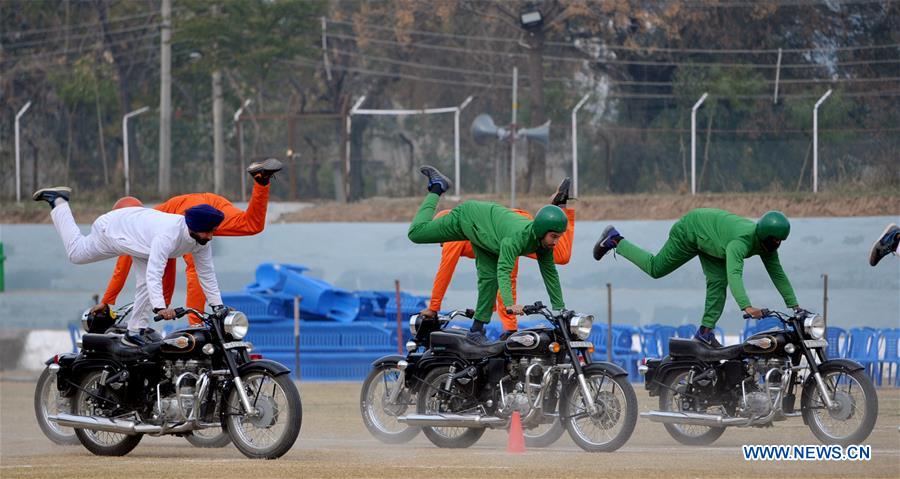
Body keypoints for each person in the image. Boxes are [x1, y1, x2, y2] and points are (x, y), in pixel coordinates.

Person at [93, 158, 282, 325]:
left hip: (189, 215)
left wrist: (108, 301)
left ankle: (195, 326)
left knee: (193, 268)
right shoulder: (154, 216)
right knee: (251, 225)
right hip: (211, 202)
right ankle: (261, 180)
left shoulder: (143, 226)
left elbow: (122, 268)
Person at [33, 186, 228, 347]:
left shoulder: (201, 241)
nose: (211, 236)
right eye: (207, 232)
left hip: (139, 239)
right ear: (193, 227)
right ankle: (59, 202)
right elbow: (155, 273)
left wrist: (218, 306)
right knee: (76, 254)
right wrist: (160, 307)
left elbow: (207, 273)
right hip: (113, 229)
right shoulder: (168, 236)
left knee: (145, 283)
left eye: (212, 231)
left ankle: (135, 330)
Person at [592, 208, 802, 348]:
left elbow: (778, 274)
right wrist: (746, 307)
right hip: (690, 231)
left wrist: (796, 307)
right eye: (774, 240)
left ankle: (704, 333)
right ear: (764, 234)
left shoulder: (767, 247)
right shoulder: (741, 242)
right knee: (655, 268)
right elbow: (735, 273)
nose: (777, 244)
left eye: (780, 241)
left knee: (718, 285)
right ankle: (616, 240)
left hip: (713, 244)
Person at [408, 165, 567, 344]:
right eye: (554, 236)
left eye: (558, 237)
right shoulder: (516, 238)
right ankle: (437, 186)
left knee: (489, 279)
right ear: (542, 230)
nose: (556, 242)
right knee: (416, 233)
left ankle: (476, 330)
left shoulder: (542, 243)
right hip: (469, 218)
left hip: (488, 238)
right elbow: (503, 271)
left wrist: (560, 309)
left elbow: (550, 274)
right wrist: (509, 305)